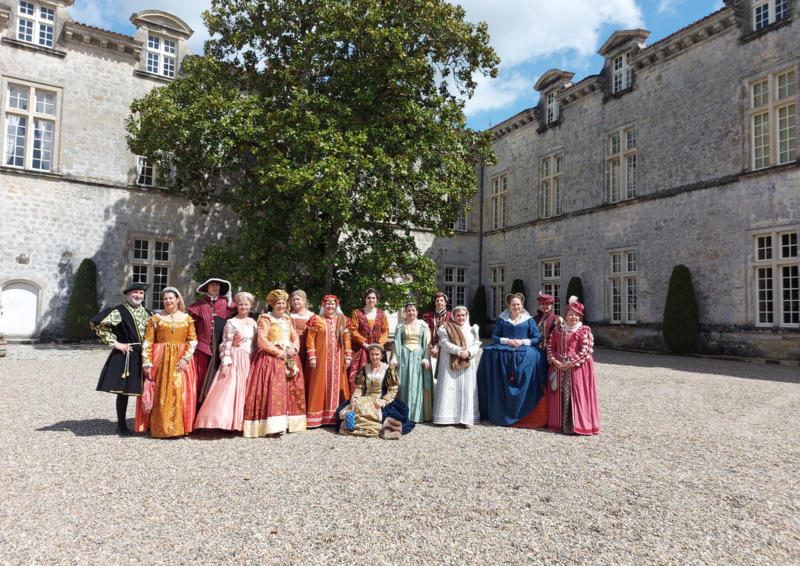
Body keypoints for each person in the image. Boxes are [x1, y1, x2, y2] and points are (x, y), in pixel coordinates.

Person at [135, 287, 198, 438]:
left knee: (179, 391)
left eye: (171, 298)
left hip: (181, 358)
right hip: (161, 358)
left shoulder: (187, 319)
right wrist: (147, 363)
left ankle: (179, 428)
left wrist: (185, 358)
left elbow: (192, 340)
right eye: (165, 299)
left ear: (177, 300)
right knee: (161, 392)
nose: (168, 301)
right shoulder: (156, 319)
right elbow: (147, 341)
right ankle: (160, 427)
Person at [242, 289, 307, 437]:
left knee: (292, 389)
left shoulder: (286, 319)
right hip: (272, 357)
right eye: (279, 303)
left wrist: (294, 347)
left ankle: (290, 423)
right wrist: (278, 352)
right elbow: (262, 340)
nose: (282, 305)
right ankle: (272, 425)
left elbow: (294, 336)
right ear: (273, 304)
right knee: (274, 389)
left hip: (289, 355)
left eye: (284, 303)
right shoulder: (266, 318)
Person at [90, 282, 151, 435]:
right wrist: (116, 344)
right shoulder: (120, 311)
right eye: (135, 293)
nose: (138, 296)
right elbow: (100, 325)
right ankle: (122, 426)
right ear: (127, 294)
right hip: (129, 353)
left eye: (141, 293)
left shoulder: (148, 313)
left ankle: (147, 423)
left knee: (148, 389)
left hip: (146, 355)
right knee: (124, 391)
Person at [477, 293, 547, 427]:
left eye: (518, 304)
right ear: (509, 306)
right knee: (490, 353)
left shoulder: (529, 320)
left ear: (522, 306)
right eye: (513, 304)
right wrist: (507, 341)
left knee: (535, 357)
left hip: (523, 347)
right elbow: (495, 336)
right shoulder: (502, 319)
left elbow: (536, 338)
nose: (516, 307)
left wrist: (522, 341)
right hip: (506, 347)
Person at [194, 292, 257, 431]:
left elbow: (255, 343)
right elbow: (225, 343)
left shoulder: (253, 323)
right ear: (237, 306)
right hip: (235, 357)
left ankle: (241, 423)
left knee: (245, 388)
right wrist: (226, 360)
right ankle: (222, 422)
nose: (243, 307)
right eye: (241, 304)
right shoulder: (231, 322)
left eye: (246, 304)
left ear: (250, 306)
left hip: (248, 358)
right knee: (229, 388)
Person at [336, 344, 414, 438]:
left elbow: (393, 390)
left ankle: (378, 428)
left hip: (381, 399)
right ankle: (355, 427)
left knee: (385, 414)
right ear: (369, 355)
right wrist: (355, 397)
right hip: (366, 398)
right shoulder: (364, 369)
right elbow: (360, 387)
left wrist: (384, 401)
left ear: (382, 355)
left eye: (377, 354)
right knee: (352, 408)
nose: (374, 357)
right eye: (372, 354)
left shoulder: (388, 370)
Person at [547, 296, 600, 435]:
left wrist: (571, 363)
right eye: (571, 314)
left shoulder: (584, 331)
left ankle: (576, 425)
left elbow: (586, 350)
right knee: (561, 393)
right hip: (558, 366)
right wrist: (555, 360)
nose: (573, 317)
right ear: (566, 315)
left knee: (575, 394)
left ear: (580, 317)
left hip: (578, 368)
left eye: (576, 315)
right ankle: (560, 425)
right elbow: (550, 347)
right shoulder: (558, 330)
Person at [305, 295, 352, 427]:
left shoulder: (343, 320)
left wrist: (348, 356)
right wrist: (312, 356)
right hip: (321, 359)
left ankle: (335, 417)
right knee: (319, 384)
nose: (330, 306)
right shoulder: (316, 320)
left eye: (332, 304)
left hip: (338, 359)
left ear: (336, 306)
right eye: (328, 304)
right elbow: (310, 339)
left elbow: (347, 339)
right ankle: (318, 418)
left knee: (338, 385)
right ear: (323, 305)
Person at [188, 277, 236, 404]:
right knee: (200, 380)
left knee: (218, 382)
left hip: (221, 349)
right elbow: (191, 329)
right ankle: (198, 412)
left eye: (217, 285)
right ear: (207, 288)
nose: (215, 287)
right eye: (212, 285)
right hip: (202, 349)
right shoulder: (198, 306)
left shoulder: (228, 305)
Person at [433, 305, 481, 427]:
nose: (461, 318)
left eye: (463, 315)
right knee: (450, 387)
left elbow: (476, 344)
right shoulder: (446, 328)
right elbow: (444, 343)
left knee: (466, 388)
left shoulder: (472, 329)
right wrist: (459, 351)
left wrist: (469, 352)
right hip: (450, 364)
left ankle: (466, 417)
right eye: (458, 315)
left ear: (467, 316)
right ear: (454, 316)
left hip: (467, 364)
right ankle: (447, 417)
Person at [393, 302, 433, 423]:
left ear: (417, 312)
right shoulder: (400, 326)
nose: (411, 312)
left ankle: (417, 414)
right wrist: (394, 358)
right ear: (405, 312)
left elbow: (427, 343)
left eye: (413, 310)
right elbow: (396, 342)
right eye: (409, 310)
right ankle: (404, 413)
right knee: (404, 383)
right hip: (404, 356)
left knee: (417, 383)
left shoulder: (423, 325)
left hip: (418, 357)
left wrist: (426, 358)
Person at [348, 288, 389, 392]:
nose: (371, 300)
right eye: (369, 298)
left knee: (378, 375)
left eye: (373, 298)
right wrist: (364, 344)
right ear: (365, 299)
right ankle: (357, 400)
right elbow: (353, 330)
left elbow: (385, 331)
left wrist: (378, 345)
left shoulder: (382, 314)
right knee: (358, 376)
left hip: (377, 350)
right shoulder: (357, 313)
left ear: (377, 300)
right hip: (361, 349)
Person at [422, 291, 452, 380]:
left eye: (442, 300)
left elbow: (452, 334)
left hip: (445, 347)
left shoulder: (451, 316)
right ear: (434, 303)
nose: (439, 302)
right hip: (430, 347)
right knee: (430, 372)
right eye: (437, 301)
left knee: (444, 372)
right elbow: (424, 333)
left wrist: (441, 349)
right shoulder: (428, 316)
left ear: (445, 302)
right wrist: (431, 348)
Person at [289, 289, 316, 369]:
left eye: (298, 299)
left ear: (304, 300)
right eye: (293, 300)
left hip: (307, 345)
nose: (295, 301)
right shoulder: (288, 315)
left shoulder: (312, 316)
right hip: (292, 344)